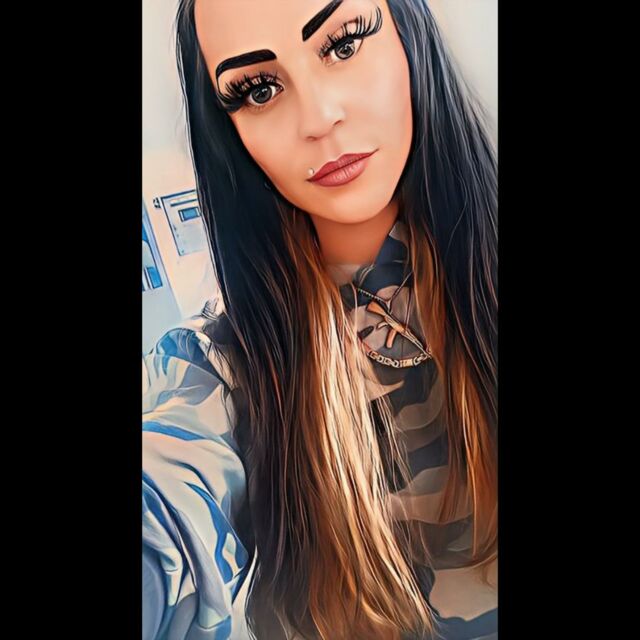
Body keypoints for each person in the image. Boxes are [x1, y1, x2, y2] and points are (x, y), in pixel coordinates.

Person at [142, 1, 498, 638]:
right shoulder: (221, 367)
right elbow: (167, 502)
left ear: (408, 36)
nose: (319, 117)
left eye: (343, 43)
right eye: (259, 89)